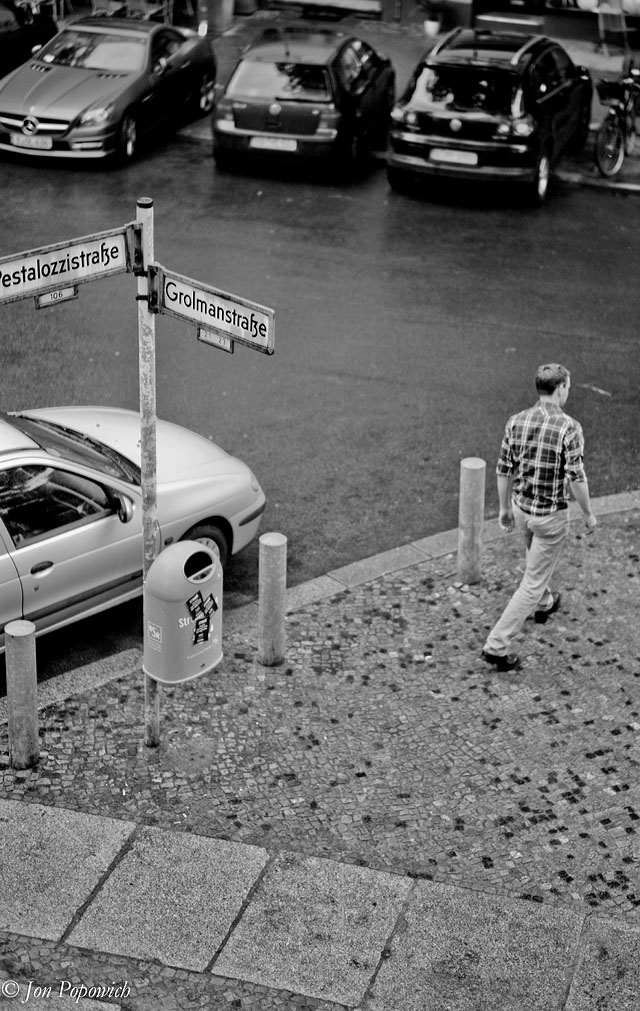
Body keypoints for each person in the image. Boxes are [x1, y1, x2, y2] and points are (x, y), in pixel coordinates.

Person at [481, 363, 597, 672]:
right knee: (530, 582)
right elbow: (576, 477)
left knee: (535, 561)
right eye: (568, 388)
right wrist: (588, 514)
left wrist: (504, 508)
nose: (567, 392)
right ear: (560, 389)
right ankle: (497, 645)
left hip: (522, 510)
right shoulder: (569, 427)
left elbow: (503, 467)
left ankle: (545, 603)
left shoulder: (515, 421)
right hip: (550, 516)